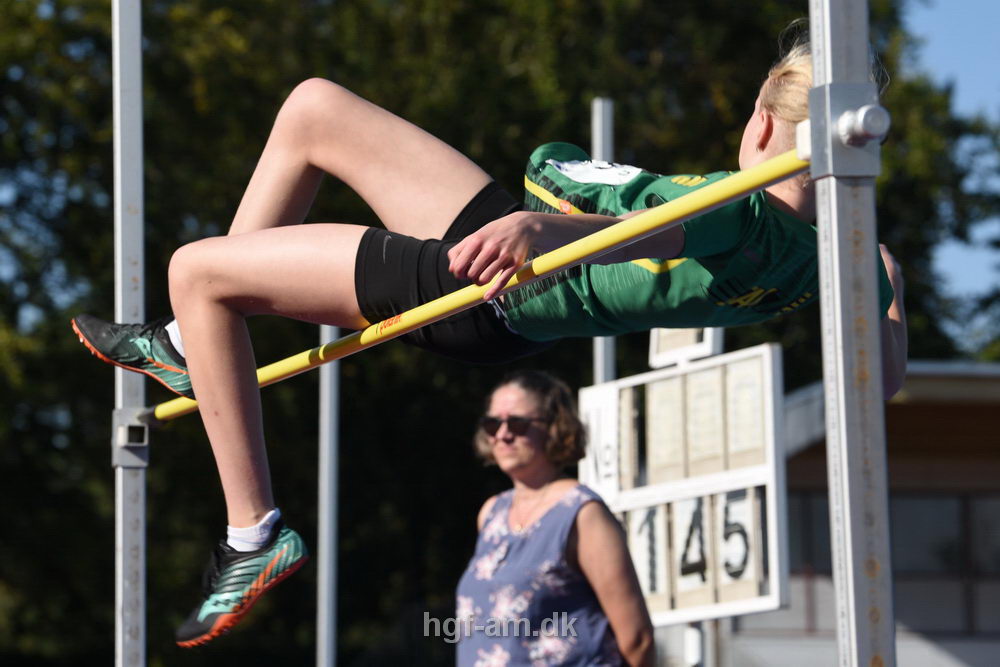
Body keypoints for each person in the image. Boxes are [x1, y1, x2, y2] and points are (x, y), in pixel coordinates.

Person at [71, 27, 907, 646]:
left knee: (197, 267)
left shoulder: (742, 204)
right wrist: (889, 285)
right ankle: (193, 344)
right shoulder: (839, 255)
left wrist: (544, 233)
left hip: (486, 292)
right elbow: (885, 378)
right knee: (313, 109)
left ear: (763, 123)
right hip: (516, 264)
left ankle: (251, 531)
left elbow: (646, 227)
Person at [455, 370, 654, 666]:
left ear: (555, 427)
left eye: (518, 423)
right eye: (492, 423)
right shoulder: (491, 513)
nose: (503, 434)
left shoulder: (583, 513)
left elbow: (636, 638)